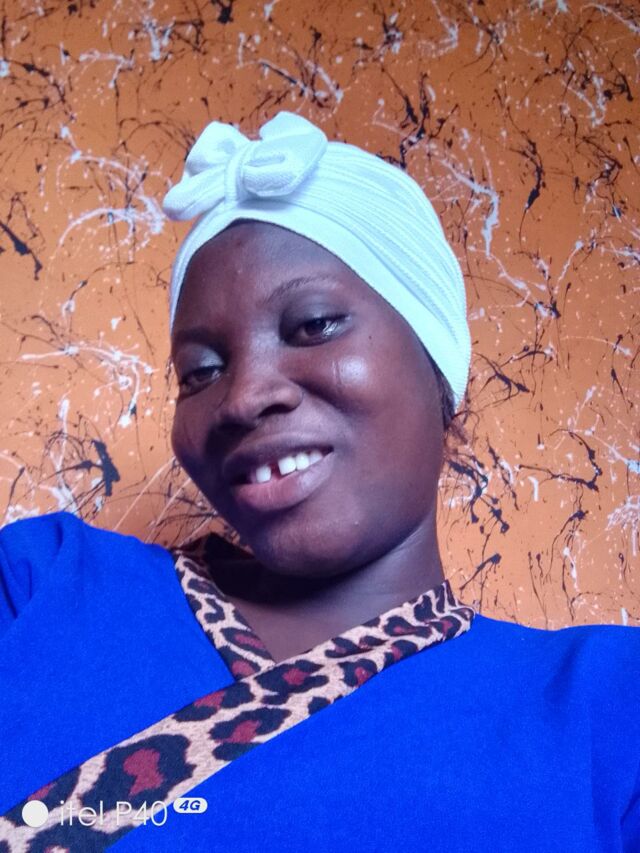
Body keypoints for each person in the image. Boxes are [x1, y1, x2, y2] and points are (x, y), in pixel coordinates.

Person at [0, 112, 638, 852]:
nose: (242, 398)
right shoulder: (47, 581)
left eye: (313, 325)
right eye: (200, 371)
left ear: (439, 371)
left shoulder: (607, 706)